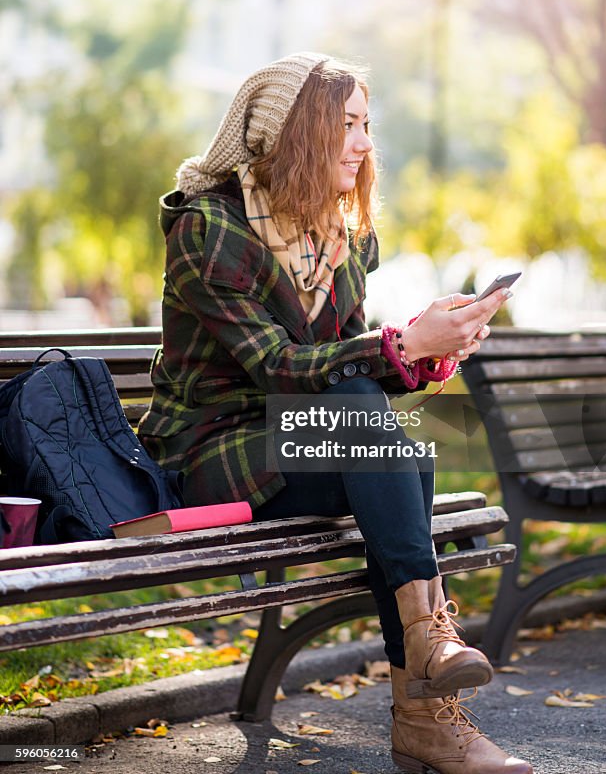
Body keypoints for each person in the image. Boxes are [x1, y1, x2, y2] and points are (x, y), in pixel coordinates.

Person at [139, 52, 533, 774]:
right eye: (345, 124)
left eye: (366, 125)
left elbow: (353, 376)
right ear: (292, 132)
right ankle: (428, 688)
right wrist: (400, 345)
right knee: (392, 447)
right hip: (209, 453)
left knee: (393, 444)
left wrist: (433, 350)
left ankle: (428, 667)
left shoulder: (339, 238)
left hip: (306, 446)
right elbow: (281, 367)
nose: (362, 142)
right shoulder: (209, 229)